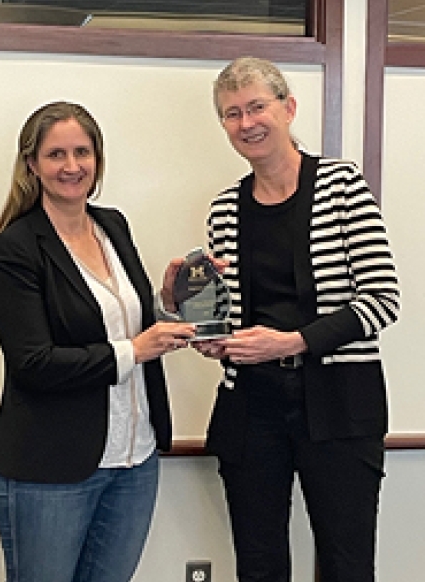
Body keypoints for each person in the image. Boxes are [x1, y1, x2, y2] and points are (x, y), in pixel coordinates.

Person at [161, 57, 400, 582]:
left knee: (347, 563)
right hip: (250, 406)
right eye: (231, 114)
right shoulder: (224, 208)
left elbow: (381, 301)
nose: (246, 123)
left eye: (257, 107)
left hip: (340, 403)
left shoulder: (342, 186)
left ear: (288, 108)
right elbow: (228, 320)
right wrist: (196, 324)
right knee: (258, 564)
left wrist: (291, 342)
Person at [0, 101, 196, 582]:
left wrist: (167, 303)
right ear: (32, 165)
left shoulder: (113, 226)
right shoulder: (16, 247)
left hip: (135, 459)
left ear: (98, 159)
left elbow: (123, 324)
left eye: (83, 151)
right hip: (51, 468)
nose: (72, 166)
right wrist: (135, 351)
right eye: (56, 154)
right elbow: (33, 363)